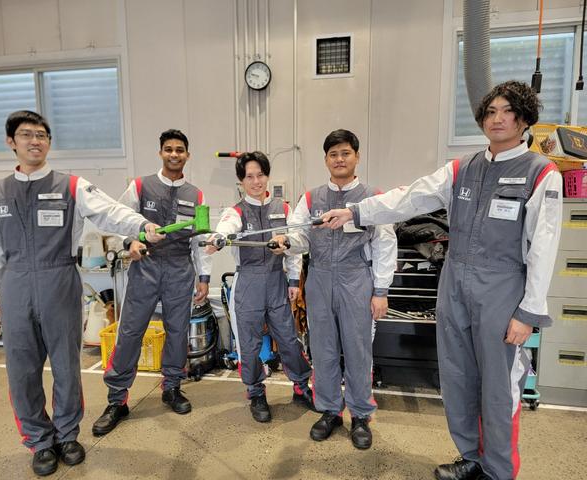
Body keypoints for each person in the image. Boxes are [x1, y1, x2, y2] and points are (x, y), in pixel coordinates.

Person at [321, 81, 563, 480]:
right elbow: (410, 197)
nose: (497, 119)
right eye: (490, 112)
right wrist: (356, 212)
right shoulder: (462, 169)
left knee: (499, 387)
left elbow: (544, 246)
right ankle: (471, 457)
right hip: (454, 286)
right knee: (457, 376)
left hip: (502, 292)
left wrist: (529, 312)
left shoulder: (541, 173)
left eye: (507, 111)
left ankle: (498, 470)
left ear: (524, 119)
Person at [0, 110, 163, 477]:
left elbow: (110, 212)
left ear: (49, 142)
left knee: (66, 366)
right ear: (11, 141)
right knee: (22, 370)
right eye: (26, 134)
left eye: (42, 135)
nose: (35, 141)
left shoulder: (71, 186)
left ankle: (66, 435)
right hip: (15, 283)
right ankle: (39, 441)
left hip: (59, 279)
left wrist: (141, 226)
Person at [272, 129, 397, 450]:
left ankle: (360, 415)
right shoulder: (311, 198)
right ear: (326, 159)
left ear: (357, 156)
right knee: (323, 348)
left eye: (345, 153)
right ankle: (329, 410)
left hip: (357, 280)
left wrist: (381, 291)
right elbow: (299, 235)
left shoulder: (373, 197)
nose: (339, 159)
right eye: (333, 154)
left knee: (358, 349)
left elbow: (385, 244)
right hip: (319, 279)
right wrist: (287, 242)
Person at [93, 129, 212, 435]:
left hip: (180, 269)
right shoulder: (140, 186)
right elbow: (117, 221)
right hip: (145, 267)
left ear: (187, 155)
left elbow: (199, 241)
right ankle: (117, 399)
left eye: (180, 150)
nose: (174, 154)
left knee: (177, 332)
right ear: (160, 152)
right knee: (130, 332)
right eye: (169, 149)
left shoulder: (196, 195)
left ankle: (172, 387)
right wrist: (129, 243)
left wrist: (203, 277)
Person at [204, 151, 315, 423]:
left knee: (288, 339)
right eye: (249, 177)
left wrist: (293, 280)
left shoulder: (283, 208)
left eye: (261, 175)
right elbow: (226, 227)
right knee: (249, 345)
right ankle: (255, 392)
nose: (256, 182)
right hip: (248, 284)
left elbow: (293, 246)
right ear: (241, 181)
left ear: (267, 176)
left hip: (277, 282)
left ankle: (301, 385)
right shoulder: (236, 211)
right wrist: (219, 237)